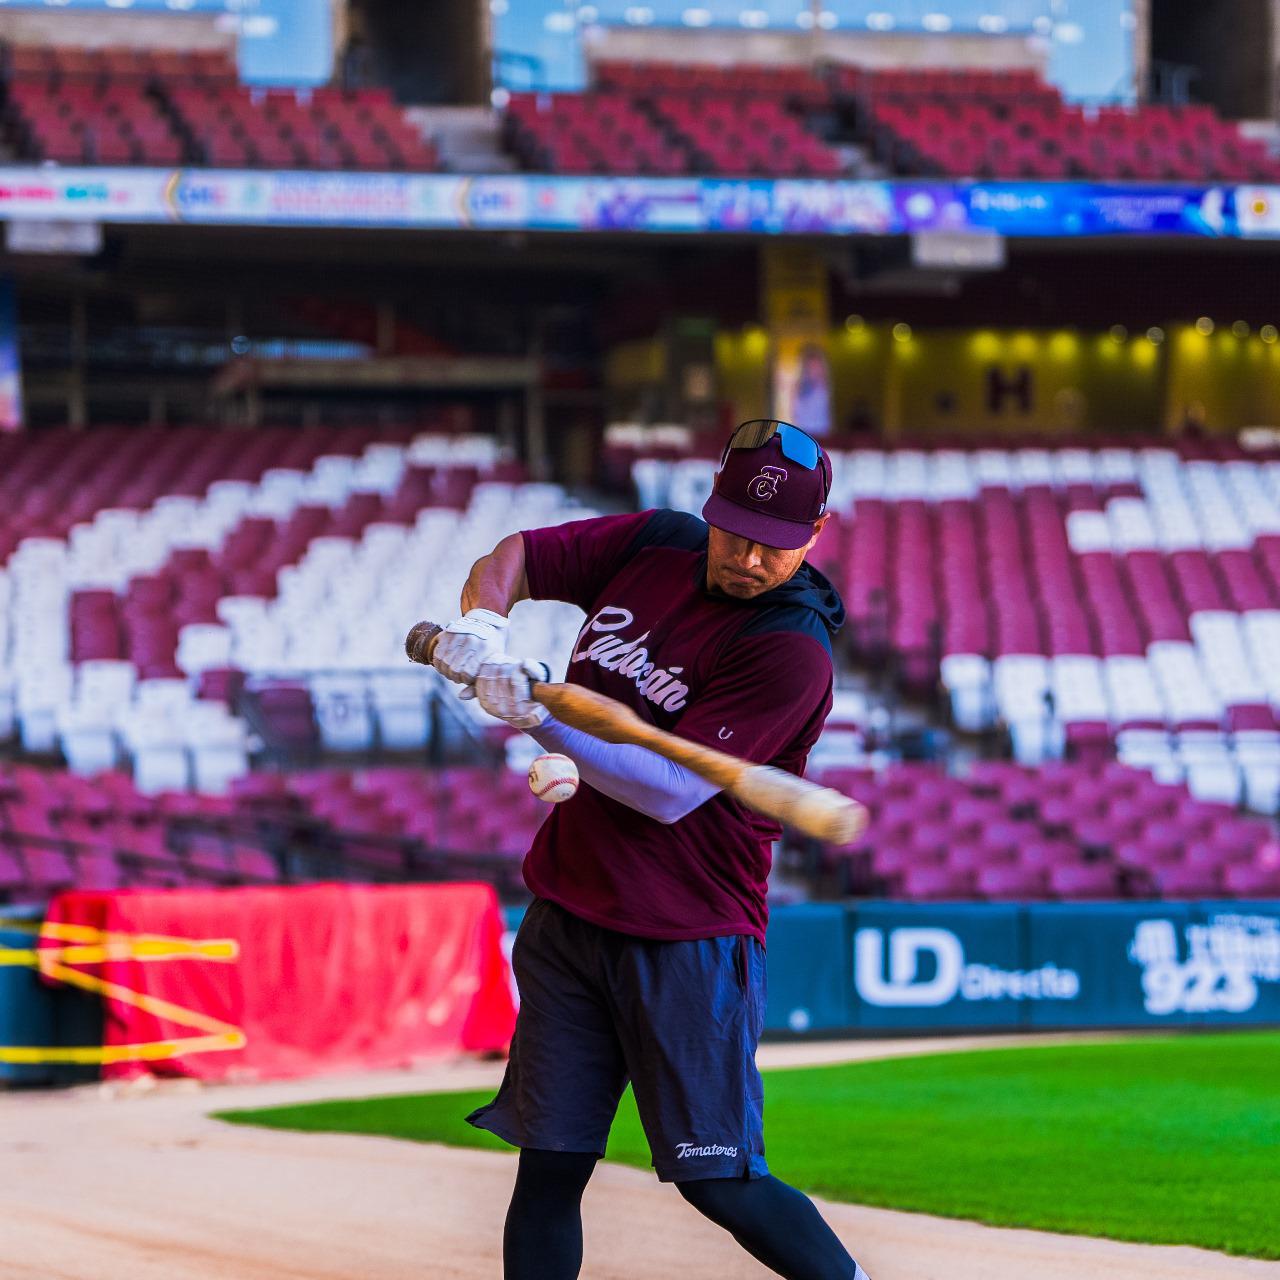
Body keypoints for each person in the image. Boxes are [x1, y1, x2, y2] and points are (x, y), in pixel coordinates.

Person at [431, 418, 870, 1280]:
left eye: (774, 543)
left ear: (815, 533)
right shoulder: (656, 543)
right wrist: (482, 627)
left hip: (685, 932)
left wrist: (535, 713)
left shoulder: (791, 650)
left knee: (720, 1181)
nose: (749, 558)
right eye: (735, 532)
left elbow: (665, 791)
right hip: (571, 909)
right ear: (709, 508)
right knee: (549, 1166)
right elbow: (518, 555)